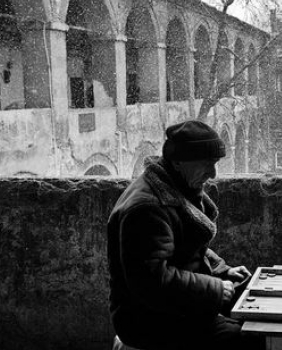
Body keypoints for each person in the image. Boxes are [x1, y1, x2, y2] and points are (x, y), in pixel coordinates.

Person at [107, 120, 260, 350]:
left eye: (215, 163)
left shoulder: (171, 188)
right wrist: (216, 289)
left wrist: (223, 270)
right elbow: (152, 282)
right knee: (248, 338)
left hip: (167, 312)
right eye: (206, 164)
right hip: (147, 322)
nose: (213, 174)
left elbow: (187, 244)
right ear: (178, 162)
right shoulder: (147, 208)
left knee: (251, 321)